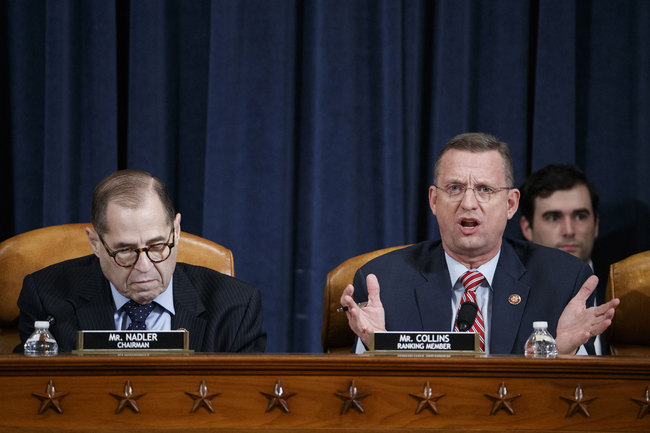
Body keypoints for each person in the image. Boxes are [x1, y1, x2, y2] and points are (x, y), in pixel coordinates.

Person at [340, 133, 618, 355]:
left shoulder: (563, 281)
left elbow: (583, 405)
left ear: (511, 204)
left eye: (485, 189)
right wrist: (373, 346)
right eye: (455, 188)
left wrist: (563, 355)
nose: (469, 203)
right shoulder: (384, 283)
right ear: (434, 201)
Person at [16, 169, 266, 353]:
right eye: (125, 250)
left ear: (176, 231)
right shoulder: (48, 300)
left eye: (157, 246)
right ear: (95, 243)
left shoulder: (236, 309)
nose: (144, 267)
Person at [519, 164, 604, 354]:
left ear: (596, 224)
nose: (569, 231)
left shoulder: (626, 292)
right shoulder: (513, 300)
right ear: (527, 228)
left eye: (580, 216)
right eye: (553, 217)